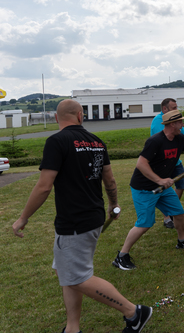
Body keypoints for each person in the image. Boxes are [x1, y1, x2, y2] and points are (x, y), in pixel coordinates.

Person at [12, 99, 152, 333]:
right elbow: (110, 179)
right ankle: (72, 327)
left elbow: (44, 186)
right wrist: (114, 205)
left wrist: (23, 218)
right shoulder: (96, 142)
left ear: (57, 118)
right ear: (80, 116)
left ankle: (134, 313)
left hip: (74, 222)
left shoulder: (56, 141)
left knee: (76, 277)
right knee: (65, 272)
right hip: (93, 217)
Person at [113, 110, 184, 270]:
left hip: (163, 188)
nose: (182, 125)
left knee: (178, 214)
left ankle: (182, 241)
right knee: (144, 223)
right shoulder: (155, 141)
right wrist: (159, 180)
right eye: (180, 122)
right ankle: (121, 256)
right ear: (172, 124)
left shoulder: (179, 139)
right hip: (145, 188)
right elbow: (141, 164)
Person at [150, 98, 184, 229]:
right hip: (163, 163)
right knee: (164, 189)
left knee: (181, 185)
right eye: (173, 108)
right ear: (164, 109)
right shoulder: (157, 122)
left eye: (177, 107)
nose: (176, 110)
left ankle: (174, 211)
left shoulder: (177, 120)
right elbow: (161, 142)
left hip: (176, 162)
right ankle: (167, 217)